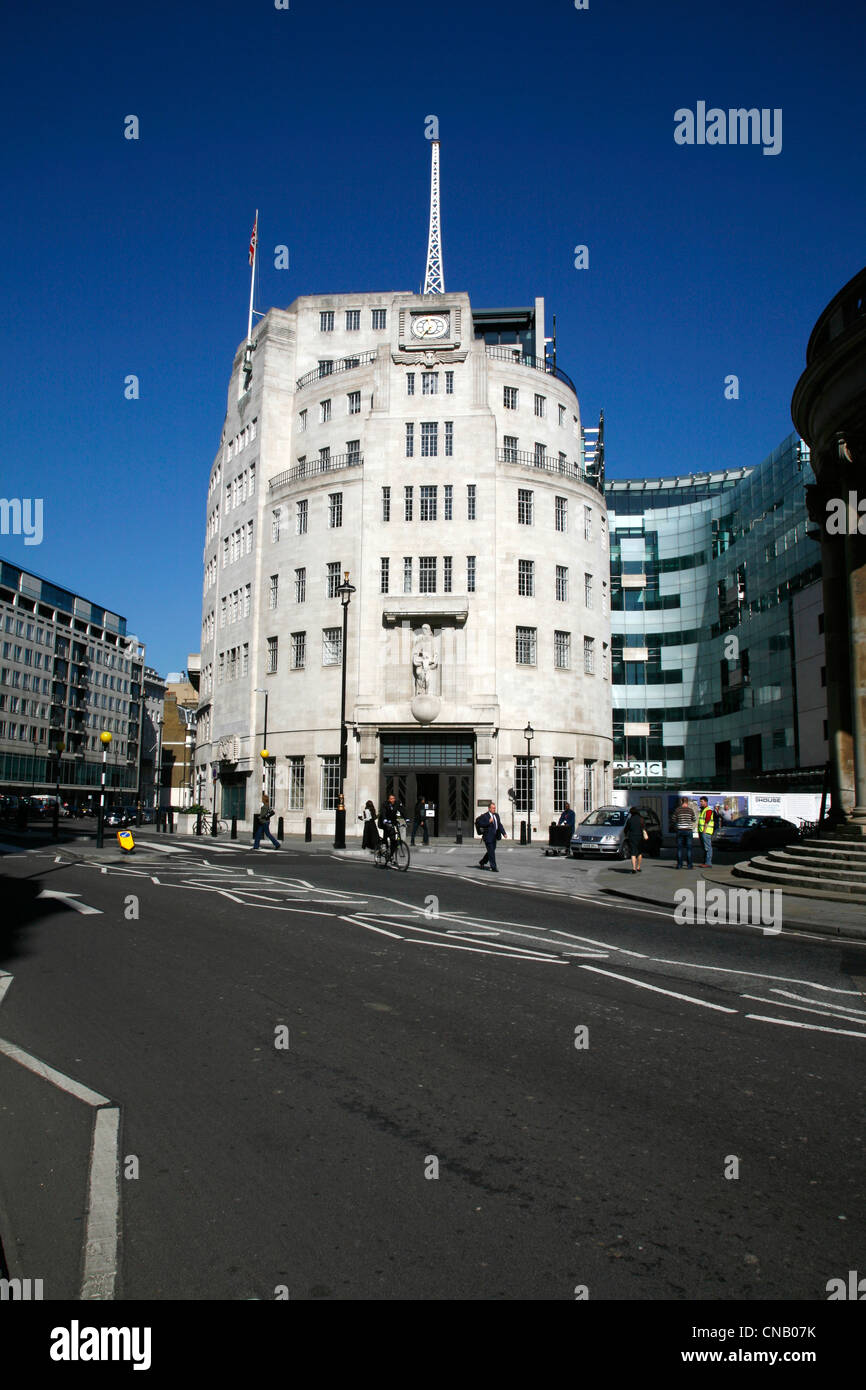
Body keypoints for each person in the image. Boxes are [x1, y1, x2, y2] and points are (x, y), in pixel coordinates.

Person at [477, 801, 506, 872]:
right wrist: (488, 822)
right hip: (488, 837)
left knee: (491, 851)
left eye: (495, 808)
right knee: (491, 852)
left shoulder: (496, 815)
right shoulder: (485, 816)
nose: (494, 809)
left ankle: (482, 862)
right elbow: (480, 824)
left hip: (495, 836)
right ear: (489, 808)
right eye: (493, 808)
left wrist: (504, 833)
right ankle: (493, 867)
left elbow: (499, 825)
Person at [378, 792, 405, 861]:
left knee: (393, 840)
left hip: (393, 821)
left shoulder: (397, 803)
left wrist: (406, 819)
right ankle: (384, 849)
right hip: (384, 821)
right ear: (388, 799)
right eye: (391, 799)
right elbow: (383, 813)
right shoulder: (385, 804)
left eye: (393, 798)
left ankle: (391, 855)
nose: (392, 800)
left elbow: (402, 811)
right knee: (386, 835)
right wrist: (385, 820)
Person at [672, 796, 697, 868]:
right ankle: (689, 865)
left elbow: (673, 819)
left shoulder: (677, 810)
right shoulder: (690, 810)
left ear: (681, 802)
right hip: (688, 830)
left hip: (680, 830)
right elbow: (694, 819)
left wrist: (678, 822)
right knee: (689, 848)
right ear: (687, 802)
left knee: (679, 848)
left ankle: (679, 865)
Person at [624, 805, 646, 873]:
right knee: (639, 852)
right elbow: (644, 828)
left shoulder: (630, 820)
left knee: (633, 853)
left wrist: (626, 835)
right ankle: (638, 867)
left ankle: (634, 868)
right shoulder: (641, 819)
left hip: (632, 837)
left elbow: (626, 830)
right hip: (640, 837)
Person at [697, 797, 715, 866]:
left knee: (708, 847)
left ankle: (708, 862)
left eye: (702, 801)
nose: (700, 803)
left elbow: (707, 821)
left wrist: (704, 830)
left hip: (706, 832)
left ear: (706, 802)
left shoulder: (708, 810)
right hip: (702, 831)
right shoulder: (703, 810)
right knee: (705, 847)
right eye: (700, 801)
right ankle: (705, 862)